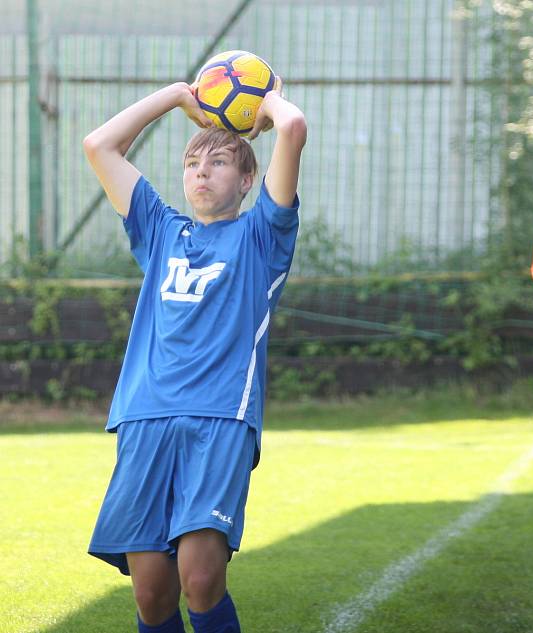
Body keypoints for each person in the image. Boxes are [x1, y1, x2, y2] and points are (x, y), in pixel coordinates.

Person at [83, 74, 306, 633]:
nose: (201, 172)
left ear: (248, 179)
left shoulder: (262, 238)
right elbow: (98, 146)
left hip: (219, 419)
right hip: (145, 417)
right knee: (153, 595)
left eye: (219, 163)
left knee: (200, 581)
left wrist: (266, 102)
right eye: (191, 164)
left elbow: (294, 128)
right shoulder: (159, 231)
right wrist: (179, 96)